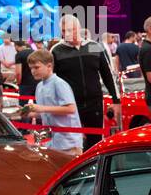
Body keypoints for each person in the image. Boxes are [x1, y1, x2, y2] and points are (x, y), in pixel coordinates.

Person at [50, 14, 119, 148]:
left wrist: (116, 100)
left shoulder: (94, 46)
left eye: (70, 30)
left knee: (96, 141)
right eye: (64, 31)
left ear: (78, 28)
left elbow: (108, 75)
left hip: (94, 103)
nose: (67, 34)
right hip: (69, 105)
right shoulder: (56, 50)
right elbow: (52, 79)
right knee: (72, 142)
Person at [22, 50, 84, 157]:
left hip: (68, 141)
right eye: (31, 68)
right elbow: (47, 113)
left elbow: (70, 109)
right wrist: (31, 113)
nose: (33, 71)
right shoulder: (39, 86)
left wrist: (41, 108)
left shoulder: (59, 83)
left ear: (49, 66)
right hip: (50, 140)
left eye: (36, 67)